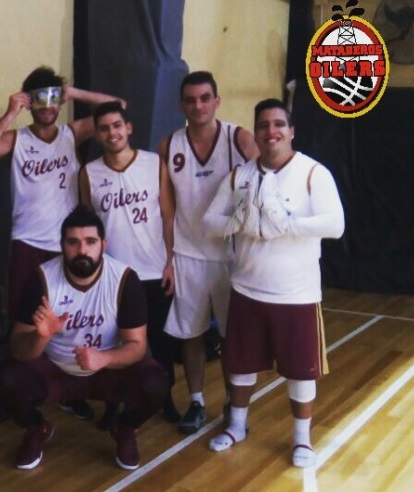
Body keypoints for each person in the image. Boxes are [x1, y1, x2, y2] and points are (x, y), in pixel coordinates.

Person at [0, 66, 124, 420]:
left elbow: (118, 106)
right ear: (30, 102)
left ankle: (72, 389)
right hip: (27, 243)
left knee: (72, 319)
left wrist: (76, 93)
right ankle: (26, 394)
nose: (48, 105)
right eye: (40, 98)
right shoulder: (18, 138)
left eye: (54, 98)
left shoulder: (72, 132)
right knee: (28, 321)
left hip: (68, 246)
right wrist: (10, 112)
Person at [201, 98, 345, 467]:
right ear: (256, 132)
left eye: (278, 124)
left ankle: (302, 441)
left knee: (300, 371)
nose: (271, 131)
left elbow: (335, 224)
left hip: (296, 294)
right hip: (247, 289)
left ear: (291, 131)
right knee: (240, 366)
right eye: (263, 125)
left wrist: (290, 224)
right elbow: (209, 222)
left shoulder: (313, 173)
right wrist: (236, 221)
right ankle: (237, 426)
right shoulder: (242, 177)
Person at [0, 205, 168, 471]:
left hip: (105, 369)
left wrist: (103, 358)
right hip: (55, 369)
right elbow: (18, 348)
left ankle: (125, 428)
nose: (82, 250)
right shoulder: (42, 278)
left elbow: (137, 346)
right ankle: (36, 428)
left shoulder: (124, 279)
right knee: (4, 378)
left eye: (90, 242)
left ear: (103, 245)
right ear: (62, 245)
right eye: (73, 242)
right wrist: (41, 337)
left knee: (155, 383)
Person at [158, 71, 258, 434]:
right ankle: (197, 401)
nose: (198, 105)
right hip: (188, 254)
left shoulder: (238, 138)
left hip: (231, 258)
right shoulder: (169, 145)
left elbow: (261, 186)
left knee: (234, 338)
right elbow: (166, 206)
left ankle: (234, 402)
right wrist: (168, 257)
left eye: (204, 98)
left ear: (217, 101)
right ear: (181, 105)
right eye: (190, 99)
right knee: (191, 334)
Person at [79, 101, 180, 424]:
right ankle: (112, 403)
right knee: (113, 343)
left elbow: (168, 216)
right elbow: (90, 227)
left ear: (129, 128)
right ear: (97, 134)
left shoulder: (153, 163)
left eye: (117, 125)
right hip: (113, 275)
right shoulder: (89, 173)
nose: (112, 133)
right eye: (104, 128)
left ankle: (165, 399)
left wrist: (171, 261)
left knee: (160, 343)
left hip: (153, 269)